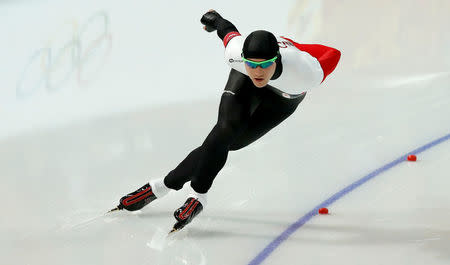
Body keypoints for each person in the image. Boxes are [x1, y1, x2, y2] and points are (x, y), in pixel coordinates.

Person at [111, 10, 341, 232]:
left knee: (234, 143)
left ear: (277, 60)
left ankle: (160, 186)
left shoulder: (306, 73)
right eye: (252, 64)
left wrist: (299, 48)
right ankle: (197, 196)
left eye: (264, 65)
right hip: (244, 82)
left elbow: (334, 53)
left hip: (284, 97)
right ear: (244, 59)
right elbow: (227, 31)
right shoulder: (236, 55)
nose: (258, 72)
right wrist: (215, 20)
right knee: (224, 132)